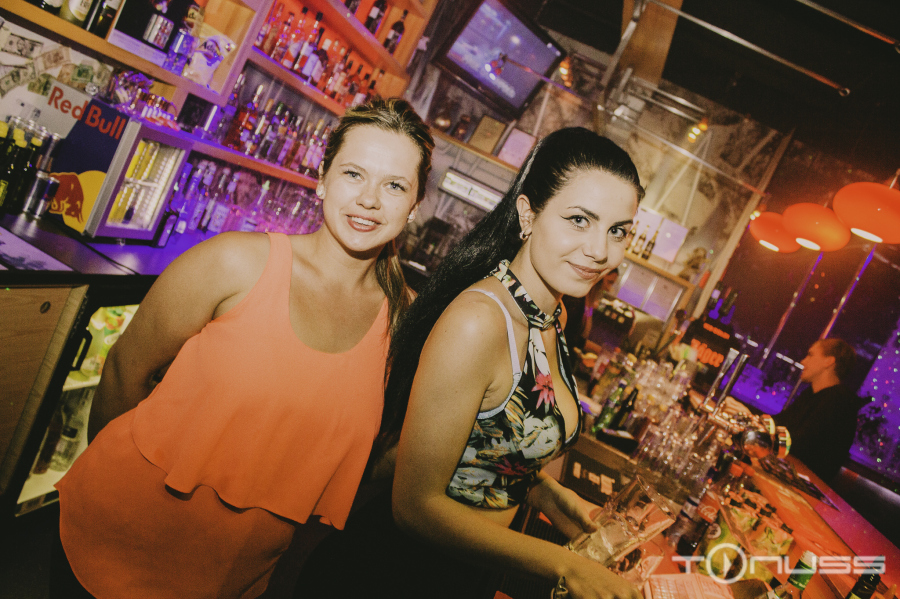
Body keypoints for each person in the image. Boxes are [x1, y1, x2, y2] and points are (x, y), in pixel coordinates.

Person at [51, 97, 434, 599]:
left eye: (395, 186)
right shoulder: (234, 262)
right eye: (353, 174)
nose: (369, 200)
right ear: (322, 179)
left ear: (414, 207)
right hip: (114, 543)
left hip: (231, 578)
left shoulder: (407, 325)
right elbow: (125, 370)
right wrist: (121, 490)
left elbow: (376, 464)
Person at [296, 127, 644, 599]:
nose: (600, 251)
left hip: (470, 574)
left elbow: (484, 448)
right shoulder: (479, 323)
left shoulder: (553, 315)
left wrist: (552, 497)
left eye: (617, 230)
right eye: (579, 220)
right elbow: (414, 505)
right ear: (528, 213)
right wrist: (564, 566)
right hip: (394, 575)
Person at [774, 338, 865, 484]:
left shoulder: (839, 402)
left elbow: (796, 444)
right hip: (787, 476)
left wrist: (763, 428)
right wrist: (749, 416)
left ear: (828, 361)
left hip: (801, 487)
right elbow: (781, 421)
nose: (803, 361)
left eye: (810, 355)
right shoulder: (812, 394)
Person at [562, 267, 619, 355]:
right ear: (600, 276)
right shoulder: (577, 297)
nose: (609, 288)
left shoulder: (590, 299)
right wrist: (598, 350)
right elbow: (569, 335)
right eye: (609, 282)